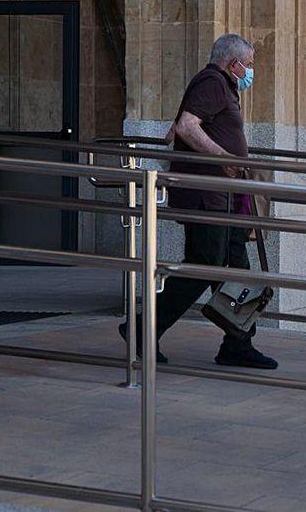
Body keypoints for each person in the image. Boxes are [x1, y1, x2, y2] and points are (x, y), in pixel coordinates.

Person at [120, 33, 278, 370]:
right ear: (233, 63)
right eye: (248, 65)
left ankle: (237, 343)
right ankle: (142, 328)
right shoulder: (213, 82)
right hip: (209, 195)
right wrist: (225, 158)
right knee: (202, 265)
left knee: (237, 269)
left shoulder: (218, 85)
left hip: (224, 197)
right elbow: (187, 127)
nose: (250, 71)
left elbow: (172, 132)